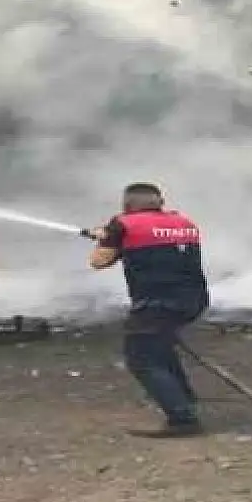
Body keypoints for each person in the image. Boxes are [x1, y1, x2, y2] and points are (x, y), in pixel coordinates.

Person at [86, 182, 210, 438]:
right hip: (193, 300)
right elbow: (154, 247)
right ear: (159, 202)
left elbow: (99, 262)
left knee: (141, 359)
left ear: (127, 205)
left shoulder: (123, 224)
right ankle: (184, 397)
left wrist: (107, 240)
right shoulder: (183, 222)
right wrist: (114, 239)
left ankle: (182, 419)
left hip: (156, 304)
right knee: (160, 347)